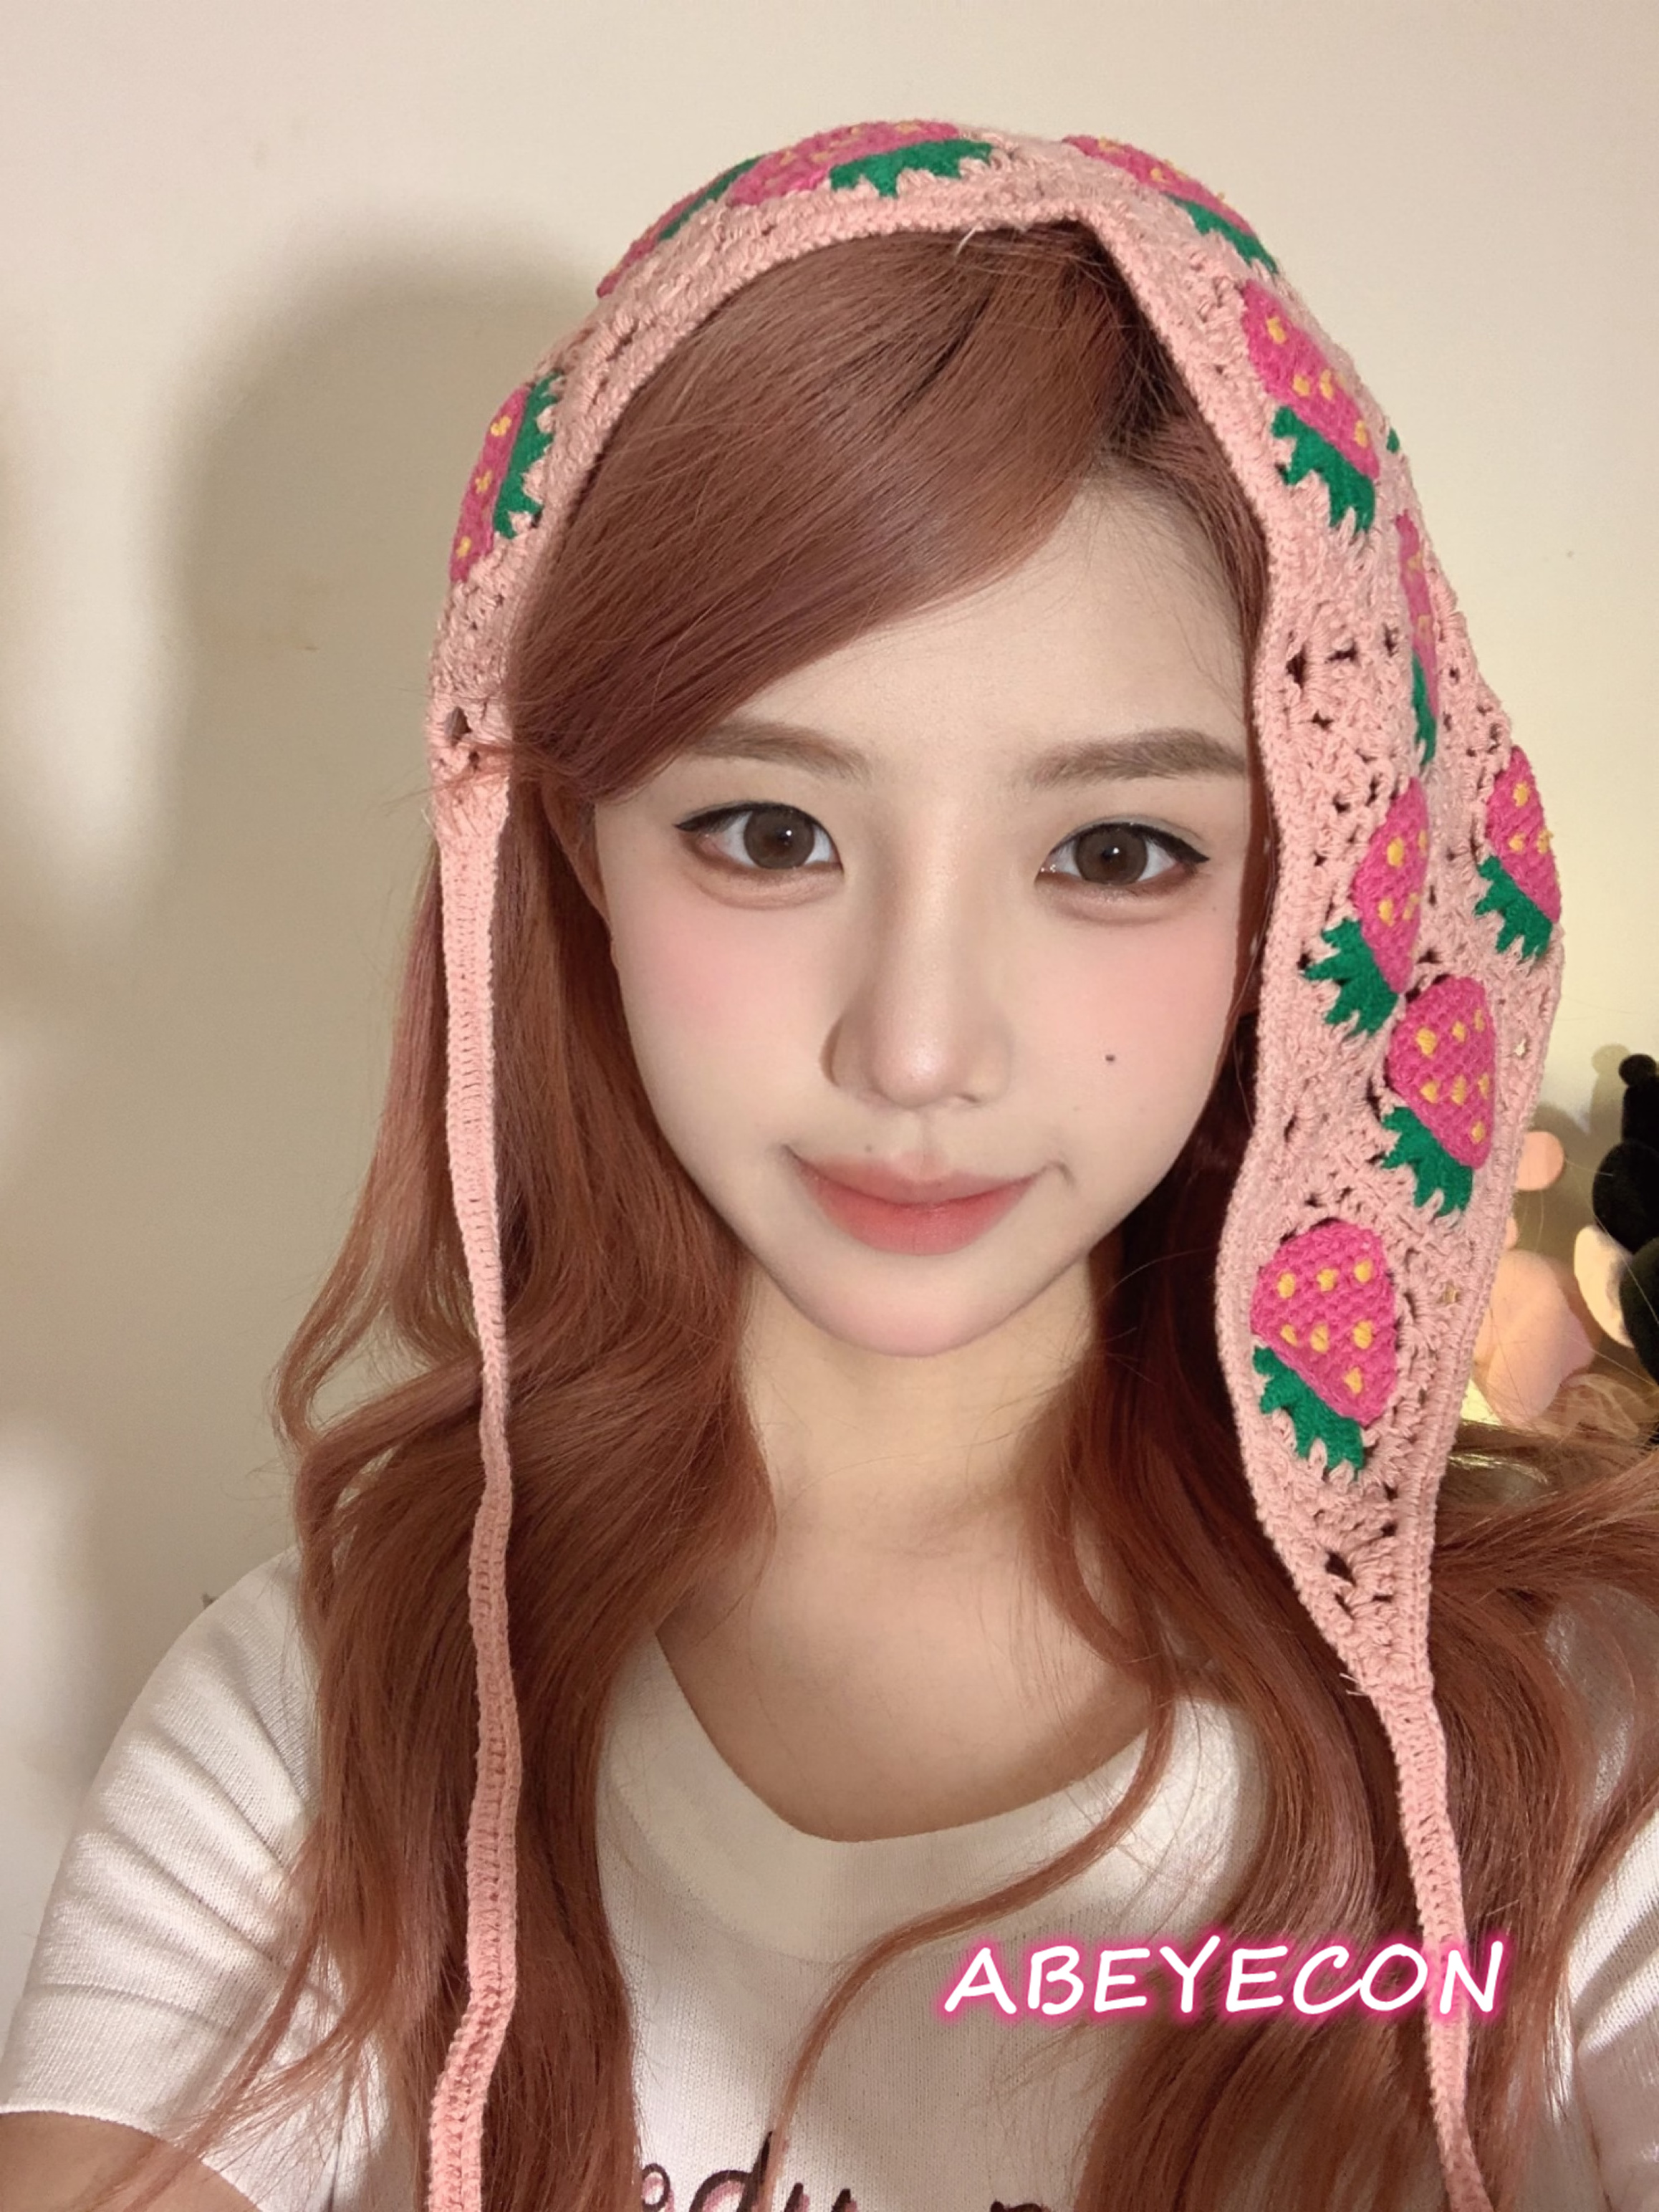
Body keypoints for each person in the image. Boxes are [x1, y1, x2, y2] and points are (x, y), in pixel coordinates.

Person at [3, 118, 1659, 2212]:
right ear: (575, 847)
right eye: (769, 832)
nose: (918, 1050)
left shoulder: (1572, 1737)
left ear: (1301, 898)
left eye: (1115, 851)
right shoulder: (330, 1722)